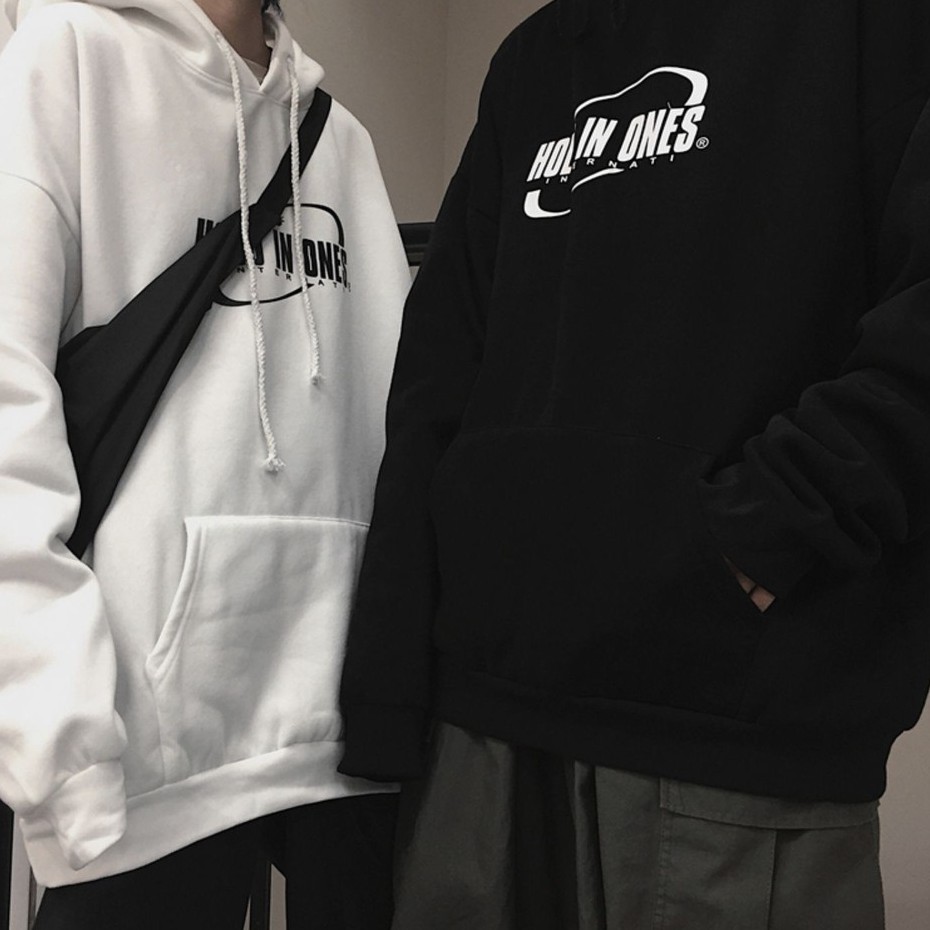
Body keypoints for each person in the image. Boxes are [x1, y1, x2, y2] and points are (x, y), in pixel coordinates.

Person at [339, 0, 930, 926]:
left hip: (733, 741)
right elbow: (434, 387)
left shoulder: (878, 27)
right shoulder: (534, 59)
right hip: (474, 733)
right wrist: (383, 703)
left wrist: (765, 532)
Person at [0, 0, 409, 926]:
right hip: (141, 753)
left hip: (344, 737)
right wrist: (58, 739)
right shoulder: (68, 61)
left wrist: (402, 695)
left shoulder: (340, 139)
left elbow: (390, 428)